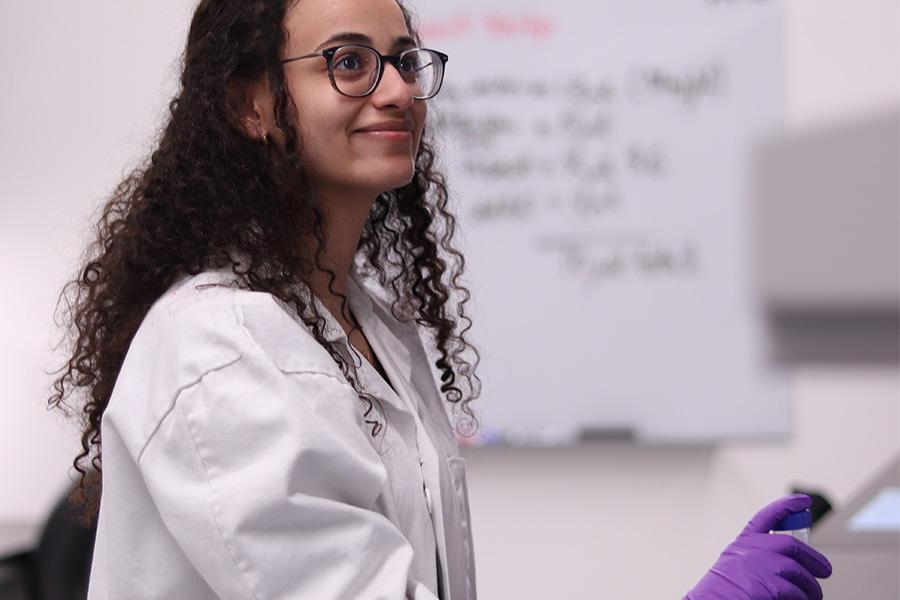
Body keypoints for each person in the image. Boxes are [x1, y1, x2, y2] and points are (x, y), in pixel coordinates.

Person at [48, 0, 832, 598]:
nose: (397, 91)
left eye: (403, 61)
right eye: (348, 63)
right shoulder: (218, 344)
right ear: (249, 106)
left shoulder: (370, 325)